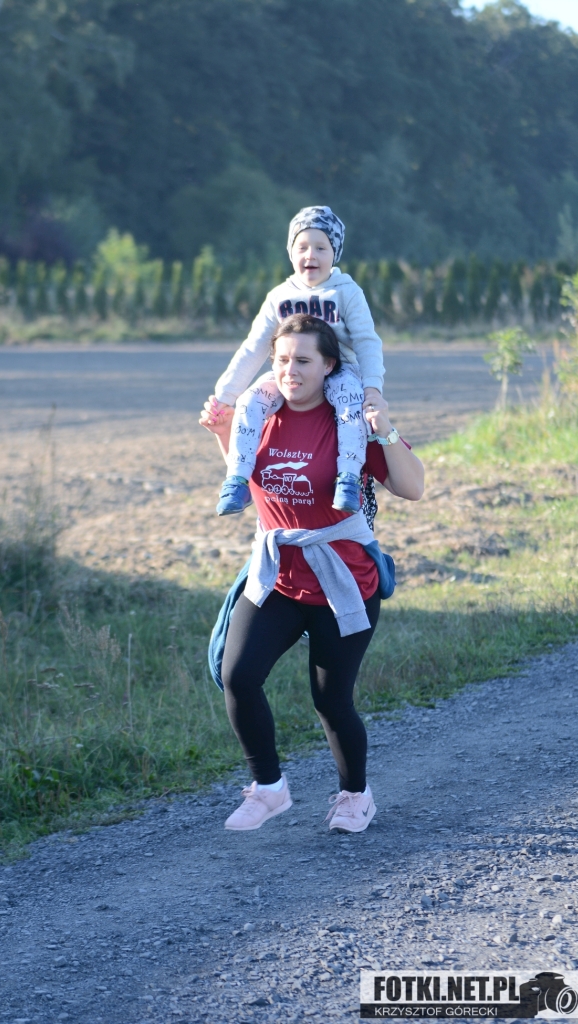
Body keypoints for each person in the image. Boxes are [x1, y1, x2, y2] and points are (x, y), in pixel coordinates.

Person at [199, 313, 423, 834]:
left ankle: (355, 796)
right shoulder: (259, 412)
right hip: (278, 576)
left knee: (331, 700)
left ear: (328, 366)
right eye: (281, 360)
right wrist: (222, 432)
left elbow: (413, 488)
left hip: (344, 583)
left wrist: (386, 430)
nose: (289, 370)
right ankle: (269, 788)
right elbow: (252, 478)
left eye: (303, 360)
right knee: (238, 676)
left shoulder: (350, 422)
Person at [207, 205, 387, 518]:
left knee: (350, 404)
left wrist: (372, 387)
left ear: (335, 253)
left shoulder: (347, 292)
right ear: (290, 252)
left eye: (321, 248)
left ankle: (347, 478)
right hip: (289, 370)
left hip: (339, 370)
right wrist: (225, 395)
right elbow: (255, 346)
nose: (310, 255)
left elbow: (366, 341)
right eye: (302, 247)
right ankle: (237, 479)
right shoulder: (279, 296)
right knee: (250, 401)